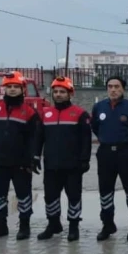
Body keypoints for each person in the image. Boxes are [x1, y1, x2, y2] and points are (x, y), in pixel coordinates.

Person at [0, 71, 41, 241]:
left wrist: (33, 158)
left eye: (16, 87)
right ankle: (0, 226)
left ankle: (24, 226)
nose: (13, 90)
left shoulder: (29, 112)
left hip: (21, 163)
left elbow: (34, 138)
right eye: (9, 87)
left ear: (23, 89)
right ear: (4, 89)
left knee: (23, 195)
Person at [35, 76, 92, 242]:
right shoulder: (45, 114)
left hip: (73, 166)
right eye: (56, 92)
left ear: (70, 94)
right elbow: (38, 138)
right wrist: (35, 156)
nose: (58, 95)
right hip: (51, 165)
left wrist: (84, 160)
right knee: (50, 197)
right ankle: (53, 224)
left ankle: (73, 227)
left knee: (74, 197)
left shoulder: (80, 114)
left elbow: (86, 140)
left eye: (62, 92)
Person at [91, 76, 128, 241]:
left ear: (123, 89)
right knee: (105, 191)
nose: (113, 89)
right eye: (110, 86)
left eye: (117, 86)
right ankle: (107, 225)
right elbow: (95, 127)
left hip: (127, 153)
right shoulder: (99, 107)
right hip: (106, 154)